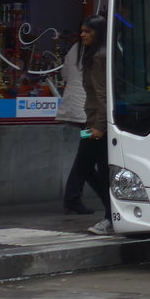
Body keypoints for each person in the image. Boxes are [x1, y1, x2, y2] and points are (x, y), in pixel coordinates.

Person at [78, 15, 114, 236]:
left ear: (98, 33)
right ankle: (112, 212)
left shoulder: (100, 57)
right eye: (81, 31)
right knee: (86, 168)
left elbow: (103, 95)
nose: (82, 35)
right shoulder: (92, 56)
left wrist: (100, 126)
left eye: (87, 31)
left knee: (93, 168)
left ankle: (110, 216)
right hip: (90, 122)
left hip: (98, 125)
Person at [57, 35, 94, 215]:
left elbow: (64, 73)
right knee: (86, 154)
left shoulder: (75, 48)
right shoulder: (98, 48)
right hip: (88, 113)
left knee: (88, 153)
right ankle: (72, 198)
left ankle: (72, 198)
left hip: (79, 110)